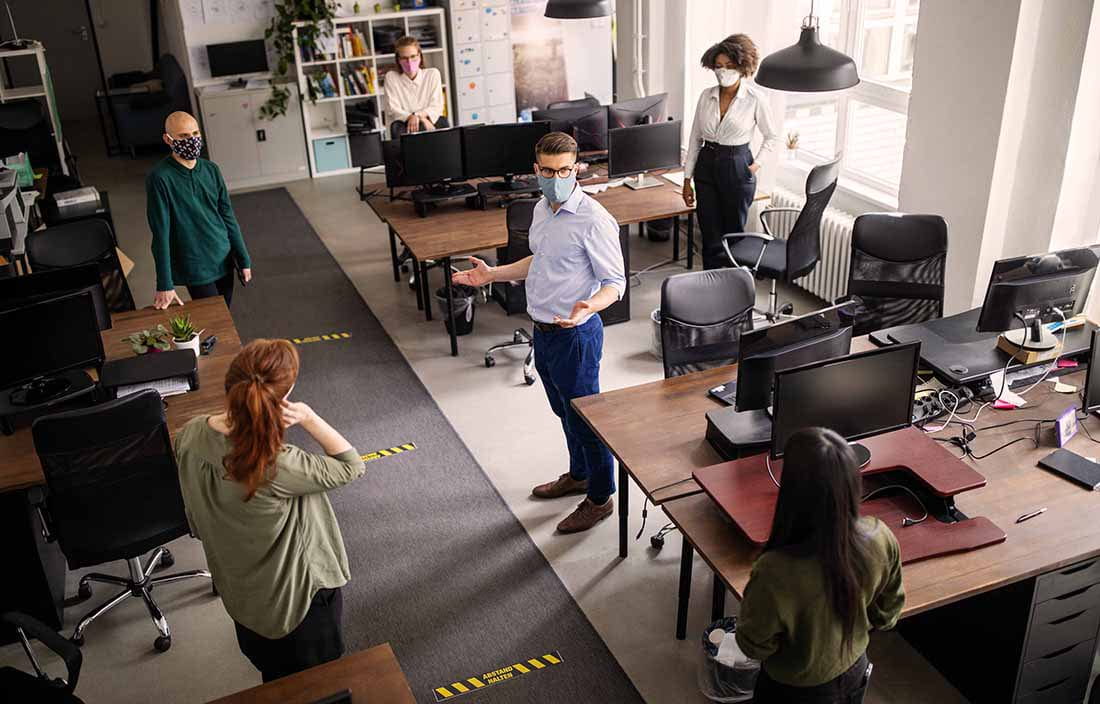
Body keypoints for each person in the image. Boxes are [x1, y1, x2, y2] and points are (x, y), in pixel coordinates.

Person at [452, 132, 626, 533]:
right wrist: (492, 274)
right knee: (564, 413)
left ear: (576, 168)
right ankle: (579, 474)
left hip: (576, 335)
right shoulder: (541, 210)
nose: (557, 178)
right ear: (537, 171)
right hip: (544, 331)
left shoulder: (594, 220)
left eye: (565, 170)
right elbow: (542, 260)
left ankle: (600, 498)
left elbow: (614, 283)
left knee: (586, 421)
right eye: (548, 171)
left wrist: (590, 307)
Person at [174, 339, 366, 682]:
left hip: (243, 597)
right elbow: (351, 465)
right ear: (283, 397)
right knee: (317, 686)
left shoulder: (190, 433)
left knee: (275, 680)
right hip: (298, 608)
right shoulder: (274, 463)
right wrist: (308, 417)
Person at [735, 427, 905, 704]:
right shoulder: (880, 535)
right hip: (854, 670)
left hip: (792, 690)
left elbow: (754, 645)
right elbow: (887, 615)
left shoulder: (774, 571)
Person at [682, 34, 778, 270]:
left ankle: (734, 291)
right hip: (706, 165)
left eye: (729, 66)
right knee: (709, 234)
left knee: (733, 237)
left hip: (737, 163)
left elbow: (772, 137)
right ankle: (710, 287)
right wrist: (686, 179)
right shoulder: (706, 96)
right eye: (718, 67)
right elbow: (695, 139)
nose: (723, 71)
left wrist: (755, 166)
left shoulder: (755, 99)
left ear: (742, 67)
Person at [147, 111, 252, 309]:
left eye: (195, 133)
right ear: (168, 140)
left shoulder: (212, 170)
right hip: (194, 263)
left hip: (222, 256)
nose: (192, 140)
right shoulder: (160, 178)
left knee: (224, 316)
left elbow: (228, 216)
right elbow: (160, 232)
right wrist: (164, 283)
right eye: (184, 136)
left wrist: (243, 258)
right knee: (213, 317)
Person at [384, 36, 448, 137]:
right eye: (404, 58)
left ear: (420, 56)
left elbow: (437, 106)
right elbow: (392, 109)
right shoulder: (391, 77)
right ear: (398, 60)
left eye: (413, 56)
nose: (409, 62)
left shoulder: (433, 74)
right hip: (404, 126)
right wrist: (411, 117)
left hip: (429, 122)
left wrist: (418, 116)